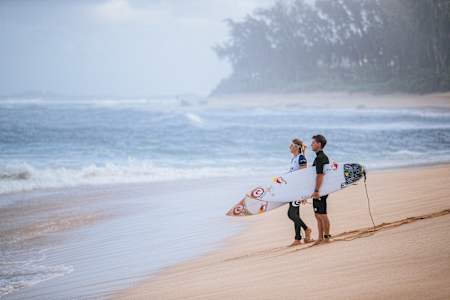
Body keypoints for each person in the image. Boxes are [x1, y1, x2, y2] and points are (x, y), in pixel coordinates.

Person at [287, 138, 313, 246]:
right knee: (295, 214)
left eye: (292, 145)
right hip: (292, 190)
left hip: (298, 191)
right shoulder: (294, 158)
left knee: (291, 214)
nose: (289, 147)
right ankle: (297, 239)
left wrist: (303, 194)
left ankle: (307, 229)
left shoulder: (301, 158)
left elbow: (304, 176)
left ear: (297, 147)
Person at [310, 134, 331, 244]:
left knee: (322, 214)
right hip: (320, 189)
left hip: (320, 190)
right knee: (318, 215)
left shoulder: (320, 158)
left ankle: (326, 238)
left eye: (313, 143)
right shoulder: (321, 157)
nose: (311, 145)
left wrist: (317, 191)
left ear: (319, 144)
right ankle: (320, 238)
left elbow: (320, 175)